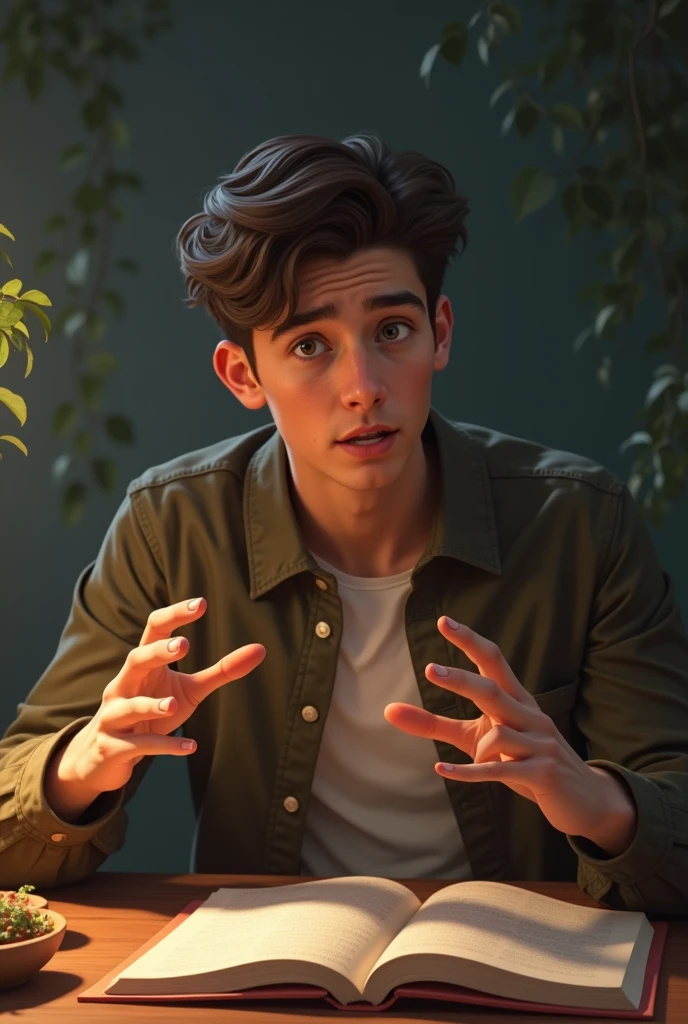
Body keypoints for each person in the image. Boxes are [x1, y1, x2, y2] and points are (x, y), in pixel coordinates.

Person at [1, 133, 687, 916]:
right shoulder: (172, 524)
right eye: (309, 345)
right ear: (243, 375)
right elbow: (10, 818)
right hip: (273, 972)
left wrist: (588, 795)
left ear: (441, 332)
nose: (362, 387)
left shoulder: (578, 522)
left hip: (521, 965)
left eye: (392, 331)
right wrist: (85, 762)